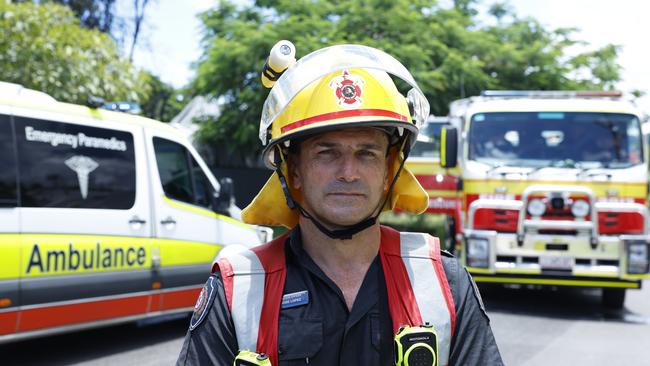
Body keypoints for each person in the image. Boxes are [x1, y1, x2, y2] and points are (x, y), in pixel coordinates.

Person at [176, 43, 504, 366]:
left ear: (389, 171)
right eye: (326, 152)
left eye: (367, 153)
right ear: (293, 171)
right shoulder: (238, 288)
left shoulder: (445, 281)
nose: (348, 173)